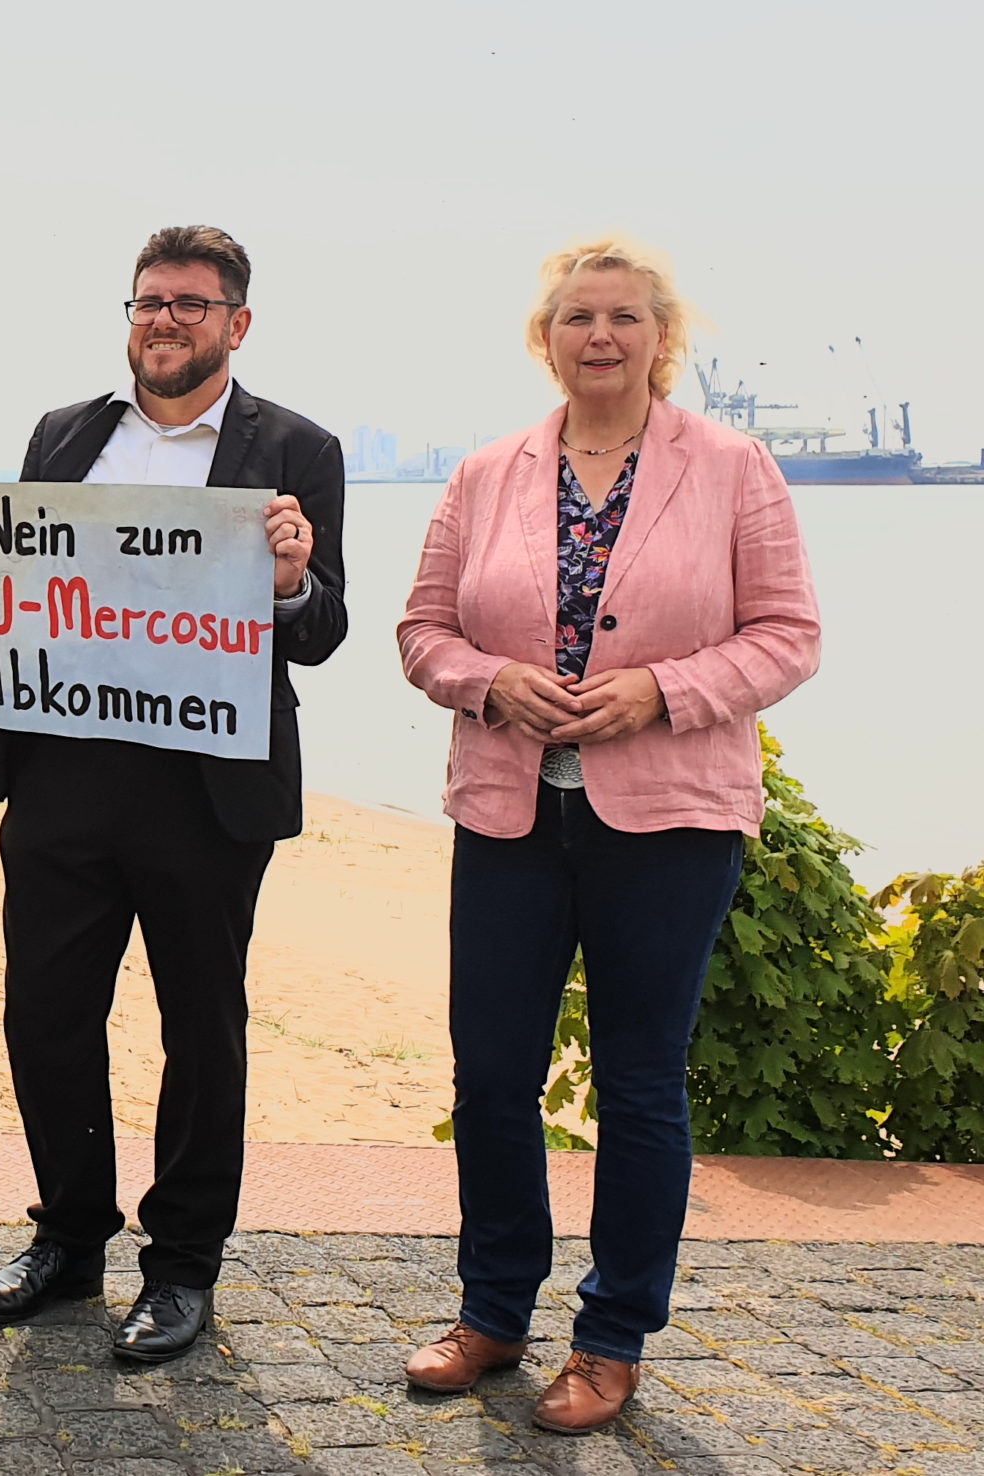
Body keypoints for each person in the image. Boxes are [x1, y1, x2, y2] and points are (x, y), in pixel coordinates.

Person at [0, 225, 347, 1361]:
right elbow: (25, 579)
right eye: (148, 301)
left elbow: (327, 629)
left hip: (207, 789)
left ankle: (182, 1266)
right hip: (60, 775)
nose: (165, 320)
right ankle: (69, 1235)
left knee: (200, 1028)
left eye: (191, 303)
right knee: (44, 1013)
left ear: (236, 324)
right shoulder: (65, 431)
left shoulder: (297, 446)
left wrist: (290, 582)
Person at [396, 238, 818, 1433]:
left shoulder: (734, 468)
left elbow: (788, 634)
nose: (600, 336)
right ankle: (490, 1314)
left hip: (669, 823)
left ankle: (610, 1338)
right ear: (546, 338)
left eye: (624, 318)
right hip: (509, 813)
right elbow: (422, 631)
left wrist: (664, 692)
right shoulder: (483, 474)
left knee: (637, 1088)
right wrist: (487, 683)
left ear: (659, 337)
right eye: (577, 317)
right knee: (490, 1078)